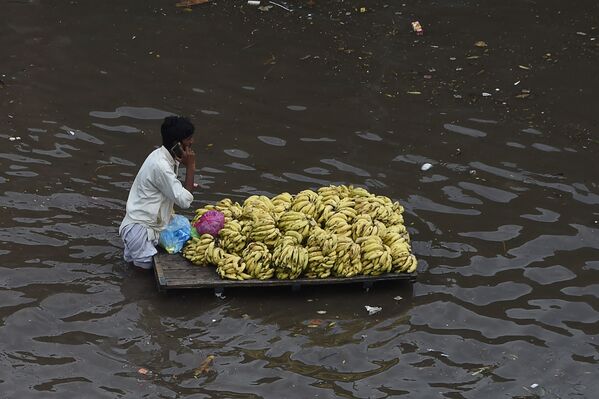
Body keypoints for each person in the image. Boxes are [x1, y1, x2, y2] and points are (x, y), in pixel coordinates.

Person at [119, 116, 196, 269]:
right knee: (146, 278)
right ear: (177, 144)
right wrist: (191, 167)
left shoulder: (162, 156)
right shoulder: (161, 166)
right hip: (140, 232)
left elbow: (171, 190)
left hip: (140, 228)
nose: (192, 143)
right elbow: (185, 202)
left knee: (131, 272)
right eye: (188, 139)